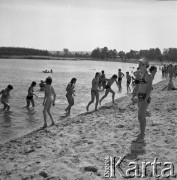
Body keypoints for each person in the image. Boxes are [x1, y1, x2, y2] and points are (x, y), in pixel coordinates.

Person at [133, 58, 154, 143]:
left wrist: (145, 100)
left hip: (145, 97)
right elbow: (140, 85)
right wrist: (136, 94)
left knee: (140, 116)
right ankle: (142, 133)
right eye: (139, 65)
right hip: (140, 96)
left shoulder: (148, 75)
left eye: (140, 65)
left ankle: (141, 137)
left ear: (145, 65)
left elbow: (149, 89)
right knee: (142, 117)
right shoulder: (142, 74)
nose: (139, 66)